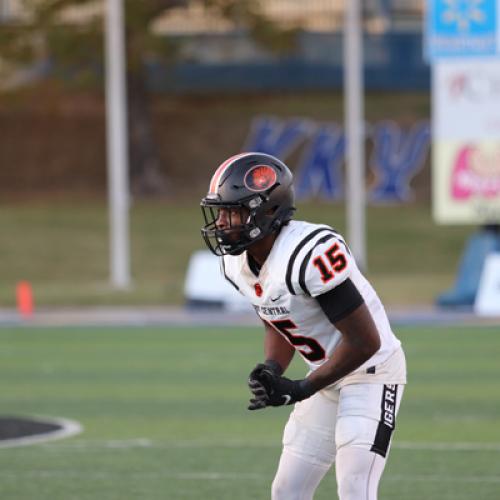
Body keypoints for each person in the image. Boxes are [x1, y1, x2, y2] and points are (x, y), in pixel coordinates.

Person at [200, 152, 406, 500]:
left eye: (231, 211)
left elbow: (364, 342)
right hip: (324, 376)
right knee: (287, 490)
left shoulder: (310, 253)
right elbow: (277, 320)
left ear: (265, 212)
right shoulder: (237, 263)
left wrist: (302, 388)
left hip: (373, 371)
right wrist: (272, 368)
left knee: (356, 487)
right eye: (220, 212)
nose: (221, 222)